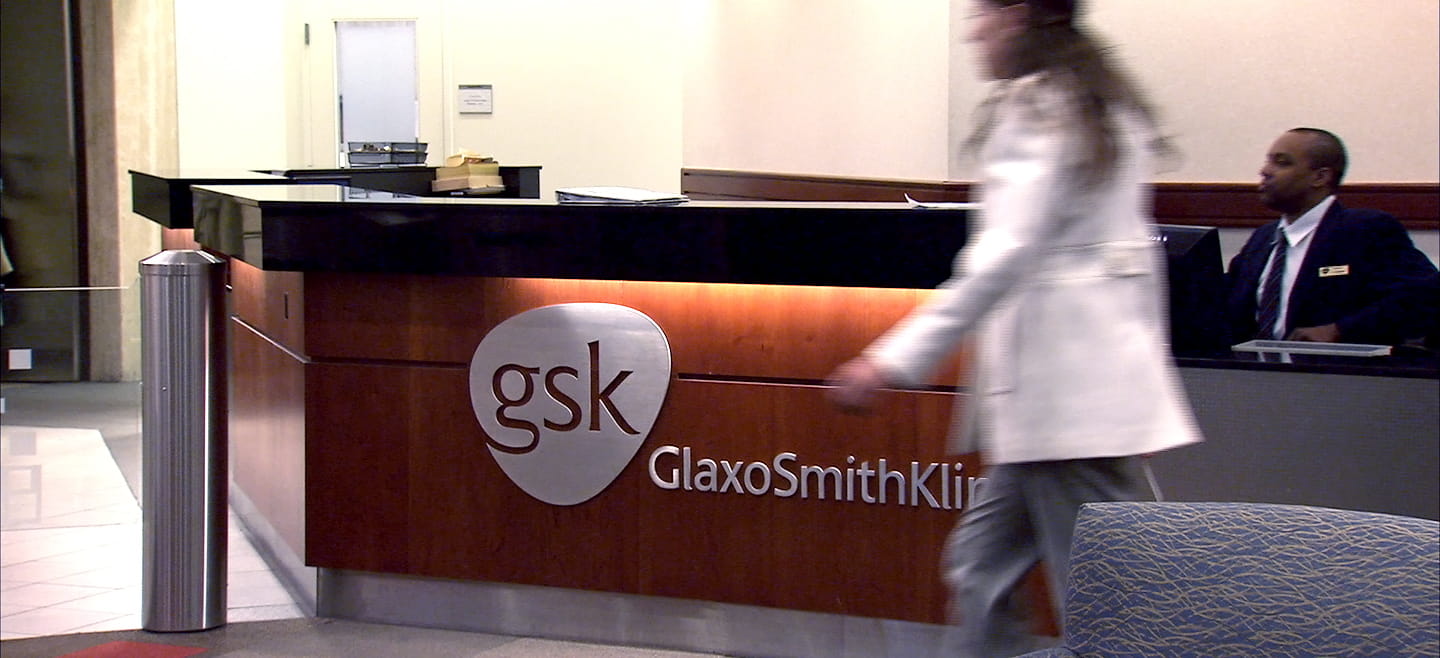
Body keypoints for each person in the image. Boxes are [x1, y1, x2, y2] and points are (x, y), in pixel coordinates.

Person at [826, 1, 1202, 655]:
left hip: (1064, 405)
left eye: (981, 15)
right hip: (1073, 407)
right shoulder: (1102, 100)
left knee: (1102, 601)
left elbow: (1004, 252)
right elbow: (1136, 262)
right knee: (981, 567)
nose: (973, 31)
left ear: (1020, 14)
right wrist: (1137, 395)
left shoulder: (1041, 105)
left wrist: (893, 359)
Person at [1226, 128, 1439, 345]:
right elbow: (1228, 308)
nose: (1265, 171)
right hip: (1256, 371)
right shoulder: (1263, 238)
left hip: (1340, 371)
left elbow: (1425, 296)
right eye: (1268, 161)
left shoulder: (1365, 229)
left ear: (1320, 177)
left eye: (1282, 163)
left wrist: (1340, 329)